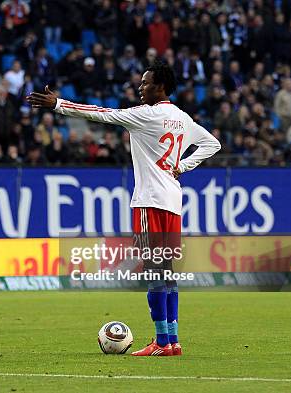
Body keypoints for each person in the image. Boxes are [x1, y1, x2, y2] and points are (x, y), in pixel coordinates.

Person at [27, 62, 221, 356]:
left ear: (160, 87)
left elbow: (101, 114)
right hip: (172, 201)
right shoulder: (182, 119)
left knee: (155, 273)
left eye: (145, 83)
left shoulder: (145, 116)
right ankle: (172, 341)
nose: (140, 88)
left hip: (148, 202)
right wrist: (182, 166)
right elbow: (212, 144)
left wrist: (58, 105)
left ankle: (160, 341)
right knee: (167, 272)